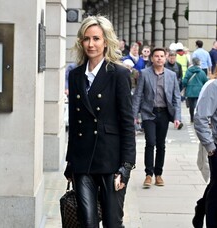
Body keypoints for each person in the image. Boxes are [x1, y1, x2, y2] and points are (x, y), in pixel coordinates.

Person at [64, 15, 136, 228]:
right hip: (82, 162)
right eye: (86, 39)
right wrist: (70, 162)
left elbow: (127, 123)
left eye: (96, 38)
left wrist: (126, 166)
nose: (91, 44)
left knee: (113, 223)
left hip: (110, 161)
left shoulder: (118, 74)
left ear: (106, 41)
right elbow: (74, 122)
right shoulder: (76, 75)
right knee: (87, 222)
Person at [132, 47, 181, 188]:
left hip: (164, 113)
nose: (159, 58)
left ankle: (158, 174)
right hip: (148, 113)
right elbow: (138, 95)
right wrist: (134, 115)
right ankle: (148, 174)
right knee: (150, 142)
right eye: (156, 56)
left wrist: (177, 116)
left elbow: (176, 97)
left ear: (165, 58)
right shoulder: (144, 74)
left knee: (161, 144)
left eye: (161, 56)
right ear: (152, 58)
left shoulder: (171, 75)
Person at [193, 68, 217, 228]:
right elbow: (200, 117)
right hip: (216, 148)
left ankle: (201, 207)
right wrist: (210, 147)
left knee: (214, 185)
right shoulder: (213, 87)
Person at [182, 57, 208, 123]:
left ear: (192, 63)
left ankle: (192, 118)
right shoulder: (202, 72)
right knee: (198, 105)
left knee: (191, 106)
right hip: (199, 91)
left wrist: (185, 86)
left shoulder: (188, 71)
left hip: (190, 91)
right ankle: (198, 118)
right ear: (199, 63)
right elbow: (205, 81)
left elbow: (184, 81)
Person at [165, 50, 184, 129]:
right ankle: (172, 118)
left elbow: (180, 75)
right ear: (168, 57)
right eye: (171, 58)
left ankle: (178, 120)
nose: (172, 60)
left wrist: (178, 82)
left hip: (176, 87)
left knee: (177, 102)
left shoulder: (178, 65)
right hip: (167, 87)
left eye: (174, 58)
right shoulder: (165, 65)